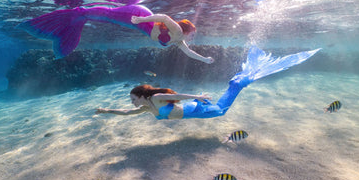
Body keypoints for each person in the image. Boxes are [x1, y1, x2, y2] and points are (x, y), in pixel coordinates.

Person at [96, 45, 320, 119]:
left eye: (132, 98)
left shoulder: (155, 97)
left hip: (195, 108)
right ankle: (236, 83)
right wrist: (106, 110)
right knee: (220, 109)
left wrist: (199, 97)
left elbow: (178, 96)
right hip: (193, 111)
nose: (132, 102)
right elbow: (127, 113)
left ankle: (238, 83)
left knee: (221, 111)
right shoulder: (147, 107)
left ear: (140, 93)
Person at [19, 4, 214, 64]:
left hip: (139, 24)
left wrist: (205, 60)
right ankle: (76, 13)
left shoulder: (179, 41)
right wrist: (140, 21)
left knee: (107, 17)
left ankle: (77, 18)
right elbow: (162, 17)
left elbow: (189, 53)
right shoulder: (178, 31)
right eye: (193, 34)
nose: (192, 38)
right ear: (186, 30)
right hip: (139, 16)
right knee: (108, 15)